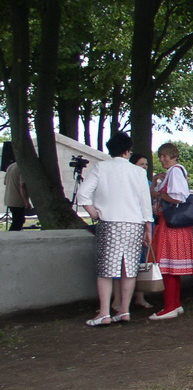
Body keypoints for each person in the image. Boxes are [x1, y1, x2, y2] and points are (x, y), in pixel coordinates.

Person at [77, 132, 152, 326]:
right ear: (128, 151)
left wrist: (94, 213)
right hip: (134, 224)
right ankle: (125, 311)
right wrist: (148, 227)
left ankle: (104, 312)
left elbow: (83, 194)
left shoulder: (101, 168)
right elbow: (145, 202)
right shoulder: (138, 172)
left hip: (109, 222)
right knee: (129, 269)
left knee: (106, 270)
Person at [149, 142, 193, 320]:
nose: (162, 159)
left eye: (165, 156)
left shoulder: (175, 171)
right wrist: (156, 183)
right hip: (172, 224)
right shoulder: (173, 172)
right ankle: (174, 304)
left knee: (167, 265)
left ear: (173, 155)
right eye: (161, 156)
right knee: (170, 267)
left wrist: (160, 194)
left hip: (172, 224)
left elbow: (179, 196)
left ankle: (170, 305)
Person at [111, 153, 154, 310]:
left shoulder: (147, 182)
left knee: (141, 262)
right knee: (120, 263)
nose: (144, 167)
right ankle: (117, 300)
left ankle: (139, 297)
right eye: (141, 164)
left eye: (146, 165)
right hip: (129, 224)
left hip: (144, 224)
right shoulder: (126, 182)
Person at [4, 160, 30, 231]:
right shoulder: (23, 168)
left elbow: (5, 182)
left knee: (17, 220)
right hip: (18, 200)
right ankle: (11, 237)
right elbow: (22, 186)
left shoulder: (11, 166)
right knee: (18, 222)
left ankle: (11, 237)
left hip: (9, 199)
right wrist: (26, 202)